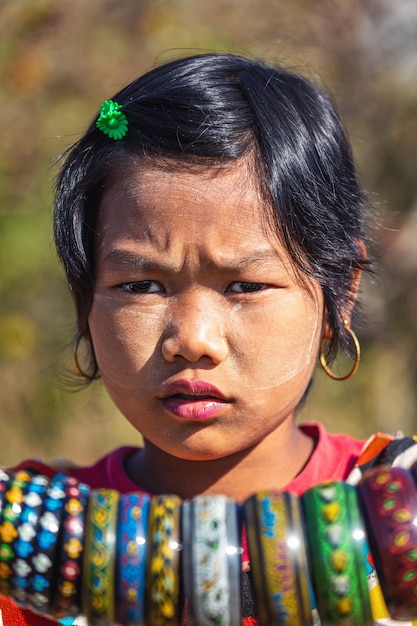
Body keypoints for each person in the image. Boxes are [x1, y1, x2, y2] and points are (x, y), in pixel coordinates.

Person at [1, 52, 417, 626]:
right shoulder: (28, 552)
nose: (192, 340)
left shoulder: (399, 510)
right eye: (141, 285)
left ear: (337, 295)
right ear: (84, 300)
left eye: (244, 284)